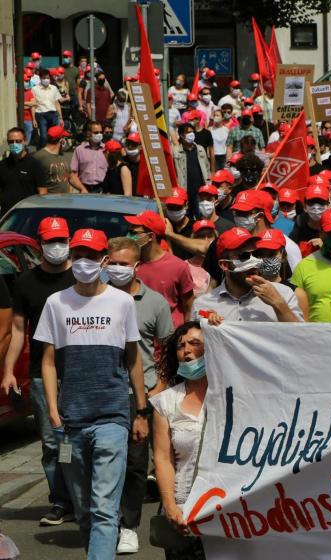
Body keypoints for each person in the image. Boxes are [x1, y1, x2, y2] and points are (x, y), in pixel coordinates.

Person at [35, 228, 149, 560]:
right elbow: (48, 360)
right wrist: (53, 410)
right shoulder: (56, 303)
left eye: (91, 255)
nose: (84, 262)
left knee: (103, 507)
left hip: (112, 416)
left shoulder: (122, 301)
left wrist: (139, 409)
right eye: (79, 254)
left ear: (103, 260)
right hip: (70, 422)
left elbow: (133, 359)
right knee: (84, 509)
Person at [1, 217, 75, 527]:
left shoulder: (80, 278)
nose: (57, 246)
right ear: (41, 243)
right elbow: (18, 330)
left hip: (79, 372)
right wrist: (8, 372)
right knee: (51, 442)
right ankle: (59, 501)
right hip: (40, 375)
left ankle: (81, 497)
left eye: (62, 240)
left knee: (78, 440)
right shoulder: (25, 283)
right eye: (51, 241)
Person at [105, 237, 174, 554]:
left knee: (134, 463)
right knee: (100, 462)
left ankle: (128, 525)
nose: (117, 269)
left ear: (136, 266)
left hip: (140, 392)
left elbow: (167, 350)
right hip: (102, 389)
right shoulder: (95, 297)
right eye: (112, 262)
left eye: (123, 263)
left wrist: (158, 386)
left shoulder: (155, 302)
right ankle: (102, 519)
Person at [150, 321, 207, 560]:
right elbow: (163, 458)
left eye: (195, 343)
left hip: (225, 508)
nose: (186, 350)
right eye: (180, 346)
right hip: (183, 510)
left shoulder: (232, 396)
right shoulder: (165, 402)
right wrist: (170, 506)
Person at [194, 227, 302, 323]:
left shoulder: (283, 294)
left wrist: (279, 305)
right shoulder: (203, 305)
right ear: (224, 264)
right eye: (244, 256)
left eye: (256, 254)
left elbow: (301, 338)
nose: (253, 261)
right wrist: (209, 330)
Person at [126, 211, 195, 327]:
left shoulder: (179, 267)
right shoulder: (127, 264)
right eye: (128, 231)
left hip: (168, 337)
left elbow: (188, 307)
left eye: (133, 232)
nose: (128, 236)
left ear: (150, 236)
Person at [0, 127, 47, 213]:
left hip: (27, 214)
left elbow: (42, 191)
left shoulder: (34, 164)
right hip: (7, 214)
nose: (14, 144)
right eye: (11, 142)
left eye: (18, 141)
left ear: (24, 141)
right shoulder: (2, 165)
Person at [33, 125, 76, 194]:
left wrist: (82, 189)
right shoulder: (38, 156)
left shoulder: (62, 155)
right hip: (50, 202)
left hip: (66, 201)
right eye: (65, 138)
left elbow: (70, 175)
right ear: (61, 140)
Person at [69, 121, 107, 193]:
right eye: (96, 132)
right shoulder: (79, 150)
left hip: (102, 189)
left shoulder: (106, 149)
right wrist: (82, 189)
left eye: (100, 132)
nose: (99, 134)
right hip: (84, 188)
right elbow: (73, 174)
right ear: (88, 134)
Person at [32, 68, 64, 149]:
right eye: (44, 78)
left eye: (47, 78)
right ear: (40, 78)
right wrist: (34, 119)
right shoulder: (35, 89)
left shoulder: (54, 88)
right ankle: (40, 151)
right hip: (41, 114)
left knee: (54, 135)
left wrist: (61, 118)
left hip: (53, 114)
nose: (46, 80)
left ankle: (53, 150)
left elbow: (57, 103)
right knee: (44, 136)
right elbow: (33, 105)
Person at [164, 188, 195, 259]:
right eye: (170, 207)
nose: (174, 211)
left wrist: (170, 234)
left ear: (186, 205)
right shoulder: (164, 226)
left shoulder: (195, 227)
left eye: (177, 207)